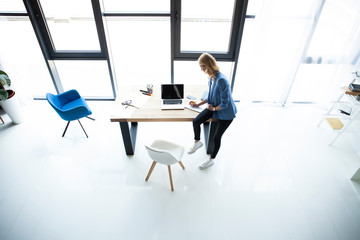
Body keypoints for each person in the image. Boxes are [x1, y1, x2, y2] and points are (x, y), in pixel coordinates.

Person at [188, 53, 237, 170]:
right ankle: (197, 142)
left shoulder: (222, 80)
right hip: (213, 107)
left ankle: (211, 159)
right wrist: (198, 104)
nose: (201, 69)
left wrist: (214, 109)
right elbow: (210, 97)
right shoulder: (211, 78)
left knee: (216, 137)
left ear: (208, 65)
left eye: (202, 66)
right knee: (196, 121)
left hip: (225, 112)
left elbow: (225, 104)